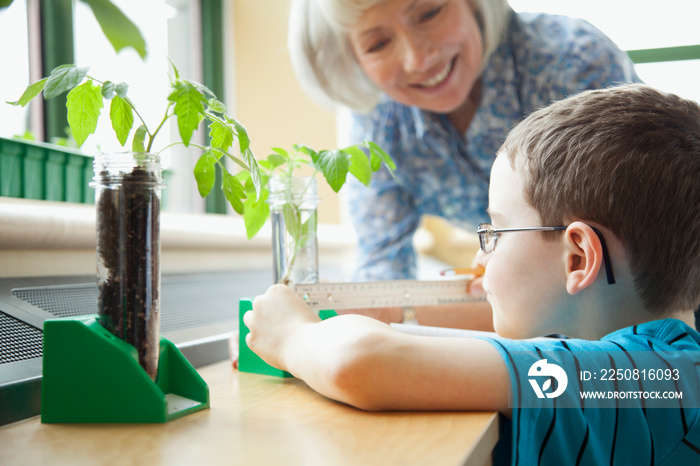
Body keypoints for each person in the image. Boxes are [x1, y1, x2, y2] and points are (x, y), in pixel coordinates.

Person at [243, 84, 700, 464]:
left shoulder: (650, 381)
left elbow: (361, 361)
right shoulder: (656, 369)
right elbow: (490, 349)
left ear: (578, 258)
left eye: (497, 231)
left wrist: (294, 336)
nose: (482, 260)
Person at [288, 0, 641, 289]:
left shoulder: (573, 59)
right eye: (378, 44)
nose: (417, 59)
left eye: (429, 13)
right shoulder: (377, 126)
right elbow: (382, 263)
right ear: (354, 60)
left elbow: (631, 239)